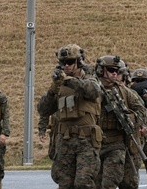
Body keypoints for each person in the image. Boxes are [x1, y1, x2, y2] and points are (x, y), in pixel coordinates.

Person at [37, 44, 103, 189]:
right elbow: (43, 109)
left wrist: (68, 80)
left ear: (79, 62)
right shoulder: (59, 86)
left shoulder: (90, 79)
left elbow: (93, 92)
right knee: (64, 183)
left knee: (83, 183)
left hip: (86, 141)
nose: (66, 66)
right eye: (63, 63)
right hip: (64, 141)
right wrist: (52, 90)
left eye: (70, 62)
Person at [94, 55, 147, 189]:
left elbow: (141, 110)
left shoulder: (125, 92)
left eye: (117, 71)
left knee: (110, 183)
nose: (115, 73)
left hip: (116, 143)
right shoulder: (91, 88)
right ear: (101, 71)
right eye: (111, 70)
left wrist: (130, 118)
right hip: (94, 143)